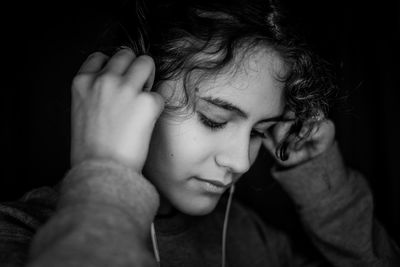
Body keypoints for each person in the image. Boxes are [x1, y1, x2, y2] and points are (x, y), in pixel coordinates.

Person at [1, 0, 399, 266]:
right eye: (214, 119)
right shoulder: (19, 235)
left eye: (261, 132)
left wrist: (324, 184)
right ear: (131, 95)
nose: (241, 162)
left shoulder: (250, 238)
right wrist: (104, 172)